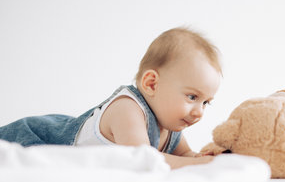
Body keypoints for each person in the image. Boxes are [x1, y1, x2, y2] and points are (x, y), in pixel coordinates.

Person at [0, 27, 222, 169]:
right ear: (151, 83)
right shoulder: (127, 110)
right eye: (192, 96)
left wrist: (203, 158)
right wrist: (199, 163)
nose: (199, 111)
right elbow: (144, 160)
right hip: (40, 138)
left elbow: (185, 156)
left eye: (205, 102)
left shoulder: (172, 128)